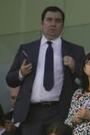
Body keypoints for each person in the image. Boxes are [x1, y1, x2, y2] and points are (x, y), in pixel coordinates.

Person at [5, 6, 85, 135]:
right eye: (49, 20)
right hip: (31, 113)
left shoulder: (75, 50)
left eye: (58, 21)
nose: (53, 24)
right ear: (42, 24)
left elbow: (88, 79)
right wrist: (21, 73)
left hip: (60, 111)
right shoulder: (26, 49)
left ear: (63, 26)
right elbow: (10, 79)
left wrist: (75, 67)